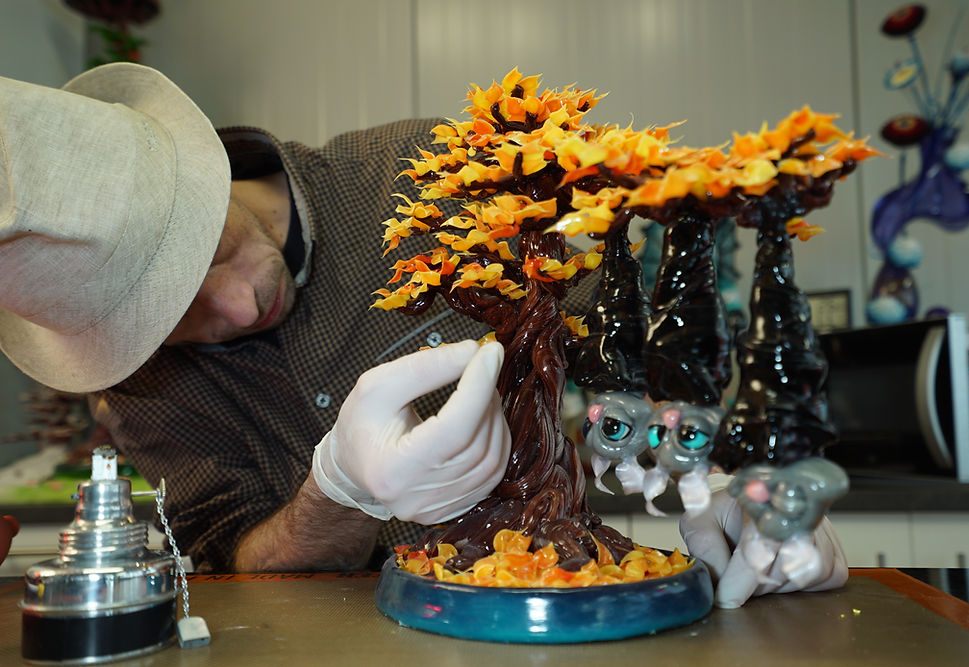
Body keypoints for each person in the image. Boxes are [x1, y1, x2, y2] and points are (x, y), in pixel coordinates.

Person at [0, 63, 845, 607]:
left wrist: (735, 469)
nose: (240, 305)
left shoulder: (419, 175)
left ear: (204, 171)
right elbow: (232, 568)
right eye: (176, 321)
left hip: (552, 602)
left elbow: (626, 344)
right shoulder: (141, 388)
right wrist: (337, 488)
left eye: (216, 251)